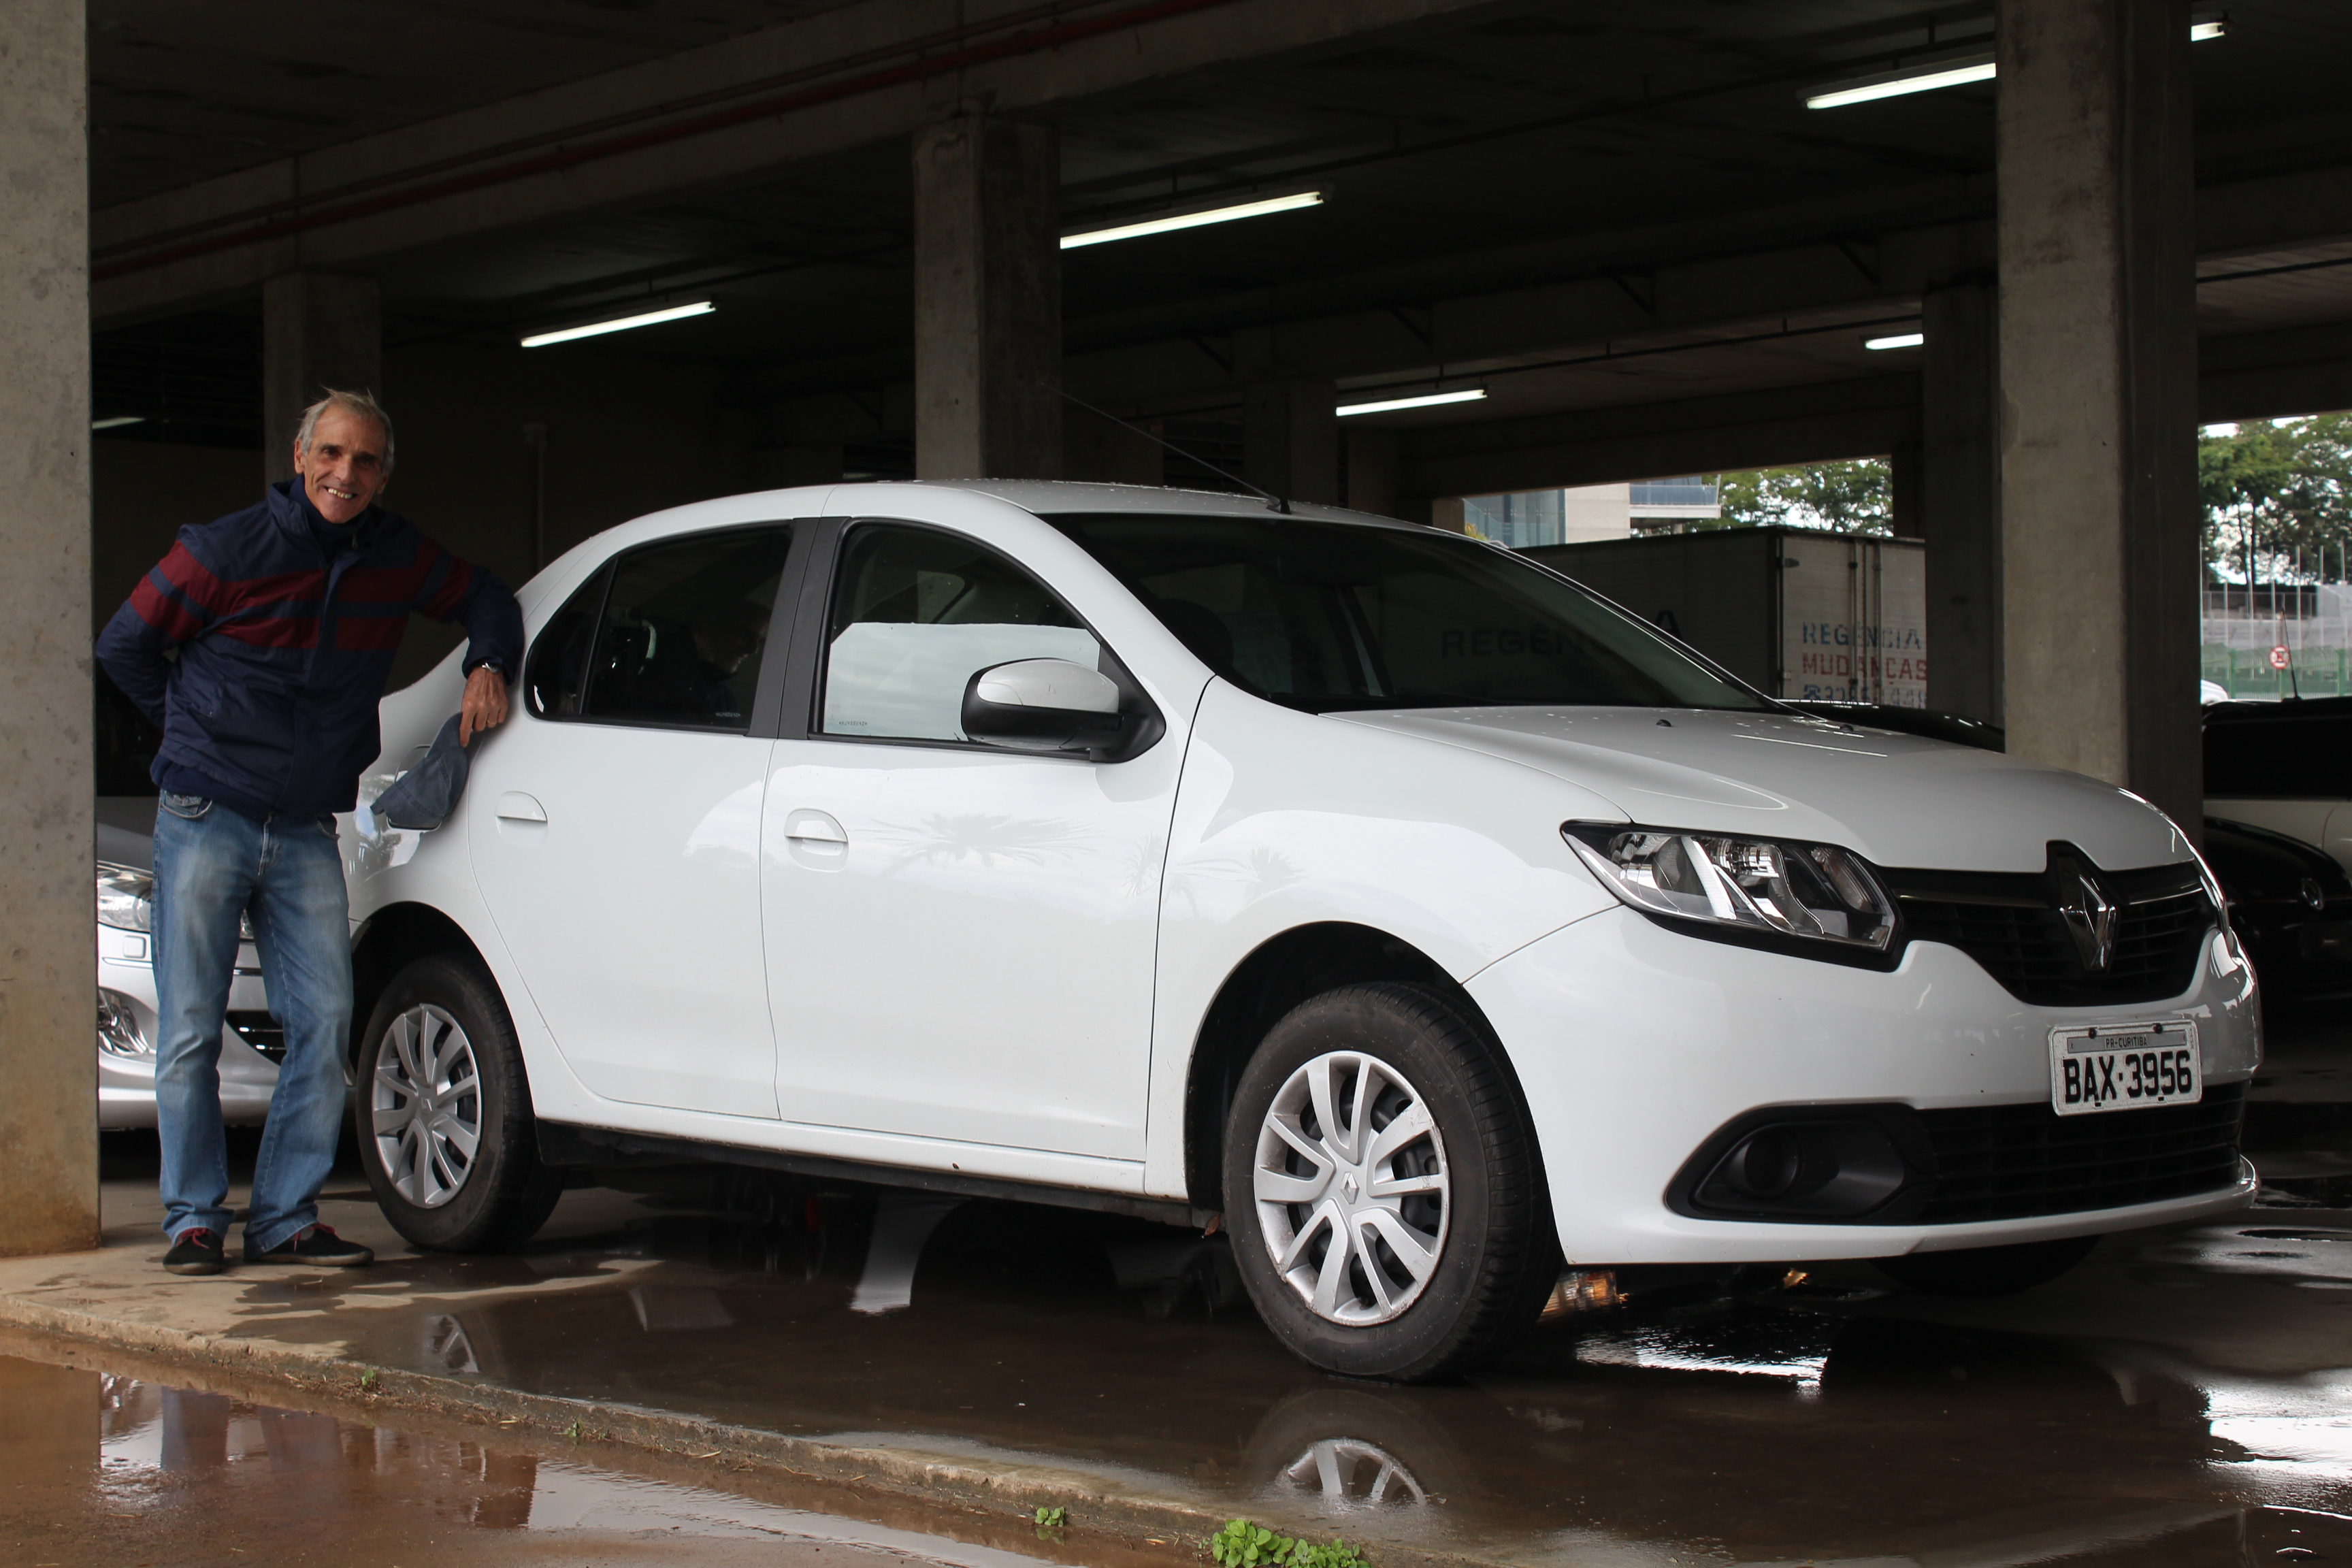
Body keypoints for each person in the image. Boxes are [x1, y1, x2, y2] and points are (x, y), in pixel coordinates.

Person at [95, 389, 523, 1277]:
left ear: (383, 475)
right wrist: (192, 735)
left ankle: (286, 1219)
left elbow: (487, 593)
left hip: (301, 829)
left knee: (326, 1023)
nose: (345, 473)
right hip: (204, 816)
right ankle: (193, 1221)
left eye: (364, 460)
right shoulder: (221, 550)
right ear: (300, 458)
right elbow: (123, 644)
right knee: (189, 1029)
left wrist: (489, 661)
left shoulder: (395, 555)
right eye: (330, 454)